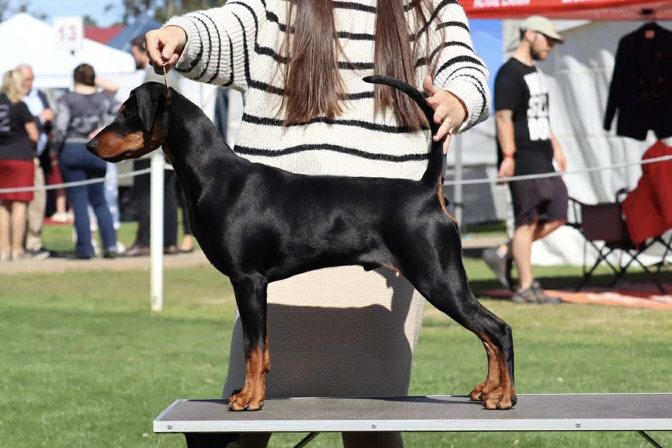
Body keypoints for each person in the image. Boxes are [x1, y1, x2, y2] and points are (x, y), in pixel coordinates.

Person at [146, 0, 489, 446]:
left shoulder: (425, 5)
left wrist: (458, 99)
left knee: (370, 423)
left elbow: (466, 69)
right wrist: (181, 34)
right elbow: (231, 26)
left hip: (389, 225)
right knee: (246, 428)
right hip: (273, 228)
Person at [482, 16, 567, 304]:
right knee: (527, 221)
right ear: (530, 34)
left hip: (544, 157)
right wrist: (508, 156)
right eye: (548, 39)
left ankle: (503, 252)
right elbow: (503, 117)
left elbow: (539, 115)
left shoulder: (535, 72)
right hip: (523, 158)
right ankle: (525, 287)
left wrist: (556, 146)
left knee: (558, 214)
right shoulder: (509, 73)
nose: (550, 46)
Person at [53, 63, 118, 259]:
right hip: (97, 149)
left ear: (74, 78)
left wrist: (53, 151)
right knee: (99, 200)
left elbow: (60, 127)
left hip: (72, 149)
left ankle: (85, 249)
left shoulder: (66, 99)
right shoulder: (105, 99)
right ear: (93, 78)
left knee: (79, 201)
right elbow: (121, 113)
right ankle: (110, 245)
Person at [125, 35, 180, 257]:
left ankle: (144, 241)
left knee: (145, 197)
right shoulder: (171, 75)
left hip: (150, 148)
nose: (135, 58)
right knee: (168, 196)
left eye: (135, 53)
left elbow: (145, 114)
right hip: (166, 148)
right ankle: (169, 242)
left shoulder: (152, 75)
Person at [0, 70, 39, 261]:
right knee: (19, 204)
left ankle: (3, 250)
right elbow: (34, 135)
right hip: (21, 158)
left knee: (3, 204)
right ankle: (17, 249)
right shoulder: (20, 105)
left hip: (1, 158)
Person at [16, 64, 53, 259]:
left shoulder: (40, 95)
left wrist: (49, 118)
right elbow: (20, 126)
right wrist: (39, 119)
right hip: (20, 157)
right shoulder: (12, 99)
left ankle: (34, 242)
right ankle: (17, 244)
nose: (27, 83)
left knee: (38, 201)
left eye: (30, 79)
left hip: (39, 157)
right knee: (17, 202)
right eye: (24, 79)